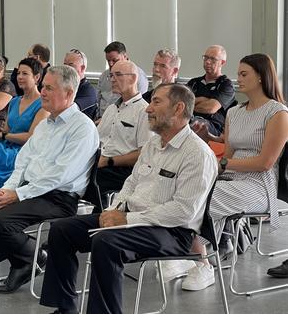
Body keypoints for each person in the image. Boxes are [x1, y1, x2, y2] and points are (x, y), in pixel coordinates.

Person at [39, 83, 218, 314]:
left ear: (178, 108)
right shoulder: (154, 143)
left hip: (172, 231)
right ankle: (65, 308)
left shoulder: (197, 154)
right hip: (133, 218)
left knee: (106, 243)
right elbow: (131, 183)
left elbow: (183, 211)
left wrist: (126, 219)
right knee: (62, 230)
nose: (147, 109)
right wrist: (113, 211)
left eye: (156, 102)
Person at [0, 65, 100, 294]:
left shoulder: (82, 128)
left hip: (59, 197)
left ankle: (28, 259)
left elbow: (60, 175)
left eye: (49, 88)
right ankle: (27, 258)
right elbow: (22, 162)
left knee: (0, 222)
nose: (42, 92)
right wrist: (7, 190)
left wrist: (18, 195)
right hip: (29, 189)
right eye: (43, 86)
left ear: (69, 93)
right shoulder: (45, 125)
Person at [179, 53, 288, 291]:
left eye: (244, 74)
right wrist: (209, 139)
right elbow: (228, 151)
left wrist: (225, 164)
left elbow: (265, 163)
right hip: (230, 179)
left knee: (203, 197)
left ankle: (196, 259)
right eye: (238, 74)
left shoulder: (278, 113)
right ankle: (196, 257)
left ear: (261, 77)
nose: (238, 79)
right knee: (187, 190)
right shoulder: (234, 112)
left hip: (260, 186)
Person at [0, 57, 49, 192]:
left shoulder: (43, 105)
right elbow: (6, 130)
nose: (20, 77)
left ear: (37, 77)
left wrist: (4, 135)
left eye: (25, 74)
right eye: (18, 73)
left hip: (23, 152)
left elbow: (31, 137)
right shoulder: (14, 101)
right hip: (6, 147)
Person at [96, 60, 152, 197]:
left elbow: (145, 153)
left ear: (133, 78)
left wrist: (108, 160)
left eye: (118, 75)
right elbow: (98, 140)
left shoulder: (144, 112)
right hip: (99, 163)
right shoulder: (111, 109)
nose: (112, 80)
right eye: (111, 75)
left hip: (120, 169)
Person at [186, 45, 235, 136]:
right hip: (189, 119)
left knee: (195, 125)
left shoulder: (226, 85)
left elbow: (211, 108)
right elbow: (181, 103)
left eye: (213, 59)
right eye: (206, 58)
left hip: (213, 126)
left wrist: (189, 106)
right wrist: (202, 100)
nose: (208, 62)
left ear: (222, 62)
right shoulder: (193, 83)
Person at [97, 41, 148, 118]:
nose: (111, 64)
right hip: (103, 117)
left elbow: (139, 102)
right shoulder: (104, 75)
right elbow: (98, 100)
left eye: (115, 60)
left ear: (125, 57)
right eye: (108, 61)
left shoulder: (137, 75)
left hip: (126, 118)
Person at [62, 49, 98, 119]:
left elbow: (67, 112)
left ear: (82, 68)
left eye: (71, 66)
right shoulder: (65, 87)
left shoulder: (88, 92)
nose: (66, 70)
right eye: (65, 65)